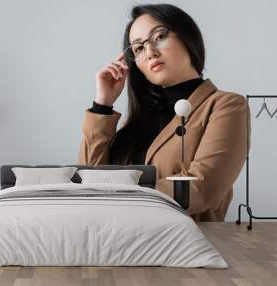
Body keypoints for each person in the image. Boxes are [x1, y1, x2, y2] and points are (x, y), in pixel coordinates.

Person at [77, 3, 251, 221]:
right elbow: (87, 184)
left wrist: (116, 190)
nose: (150, 52)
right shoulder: (138, 124)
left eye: (159, 36)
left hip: (185, 248)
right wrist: (102, 105)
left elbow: (204, 188)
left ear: (187, 36)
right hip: (117, 247)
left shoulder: (225, 105)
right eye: (138, 48)